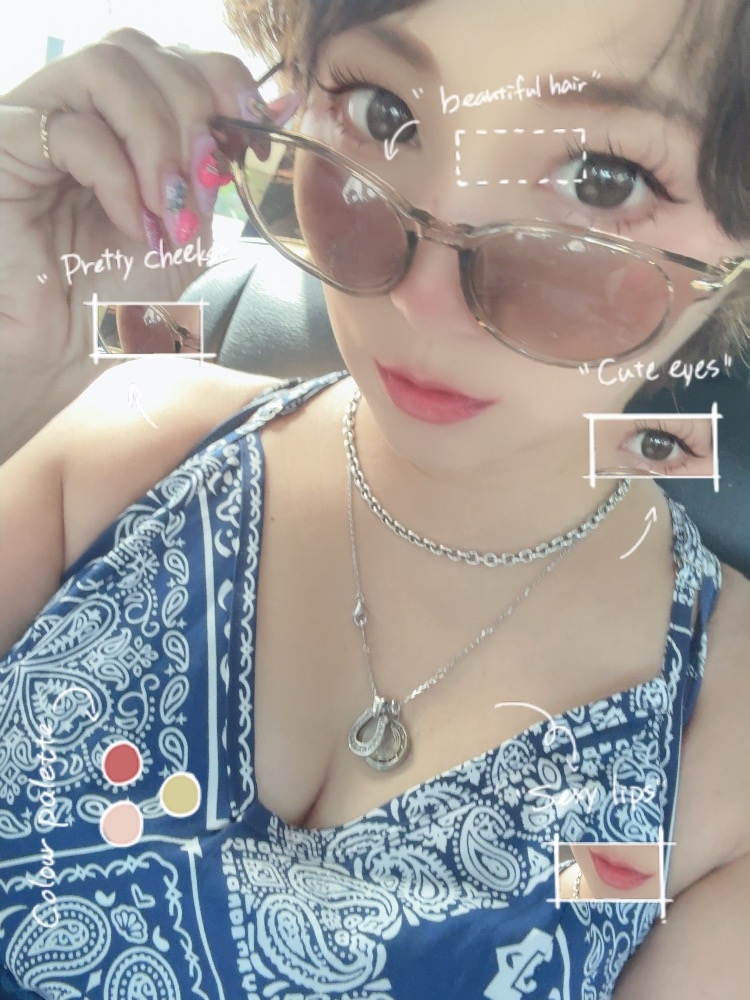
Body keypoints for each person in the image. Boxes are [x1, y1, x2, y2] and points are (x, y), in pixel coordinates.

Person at [0, 1, 749, 997]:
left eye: (601, 178)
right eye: (383, 112)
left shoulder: (726, 768)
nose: (422, 297)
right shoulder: (118, 450)